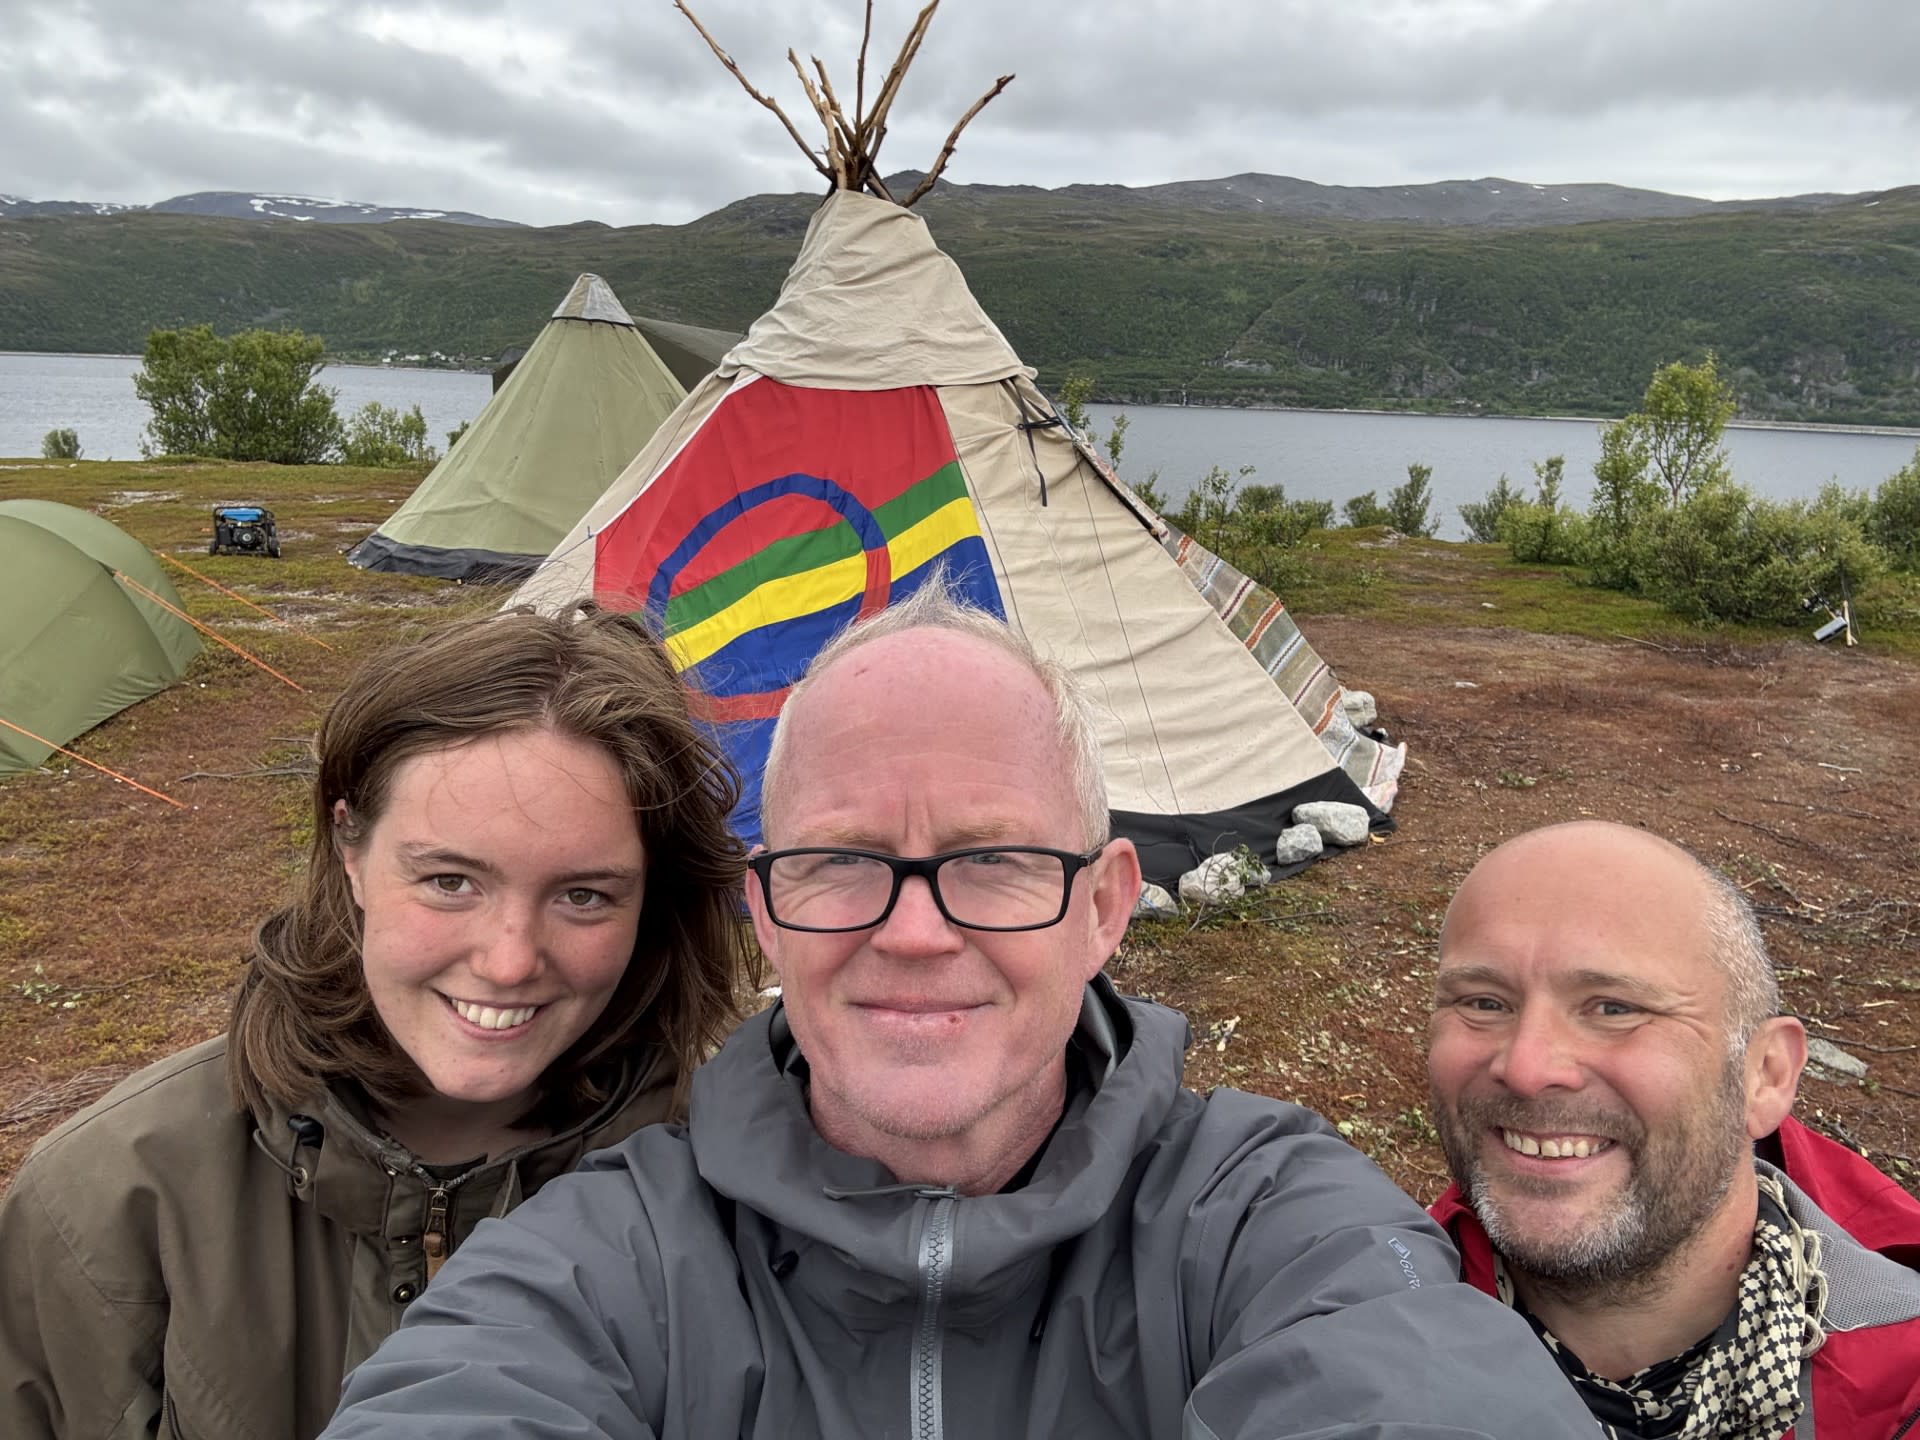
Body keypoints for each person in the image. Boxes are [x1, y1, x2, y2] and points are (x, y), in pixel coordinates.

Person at [324, 579, 1597, 1440]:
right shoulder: (617, 1251)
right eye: (842, 861)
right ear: (768, 911)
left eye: (993, 859)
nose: (916, 932)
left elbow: (1410, 1381)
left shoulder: (1258, 1213)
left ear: (1104, 907)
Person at [0, 604, 754, 1440]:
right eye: (450, 882)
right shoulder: (107, 1201)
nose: (510, 961)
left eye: (583, 895)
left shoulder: (741, 1195)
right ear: (350, 849)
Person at [1428, 820, 1920, 1440]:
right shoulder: (1355, 1324)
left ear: (1765, 1076)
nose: (1527, 1069)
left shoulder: (1901, 1382)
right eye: (1483, 1002)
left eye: (1615, 1008)